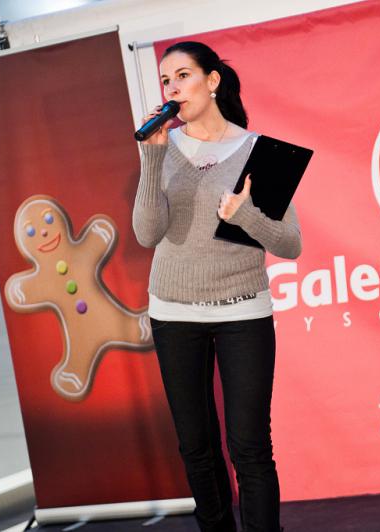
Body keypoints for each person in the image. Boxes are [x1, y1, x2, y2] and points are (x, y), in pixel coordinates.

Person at [132, 40, 301, 532]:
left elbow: (290, 244)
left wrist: (246, 215)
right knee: (196, 447)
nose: (172, 88)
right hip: (174, 313)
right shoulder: (162, 149)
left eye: (183, 76)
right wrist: (151, 159)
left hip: (242, 312)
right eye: (165, 80)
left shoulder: (260, 151)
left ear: (212, 81)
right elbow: (147, 234)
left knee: (250, 448)